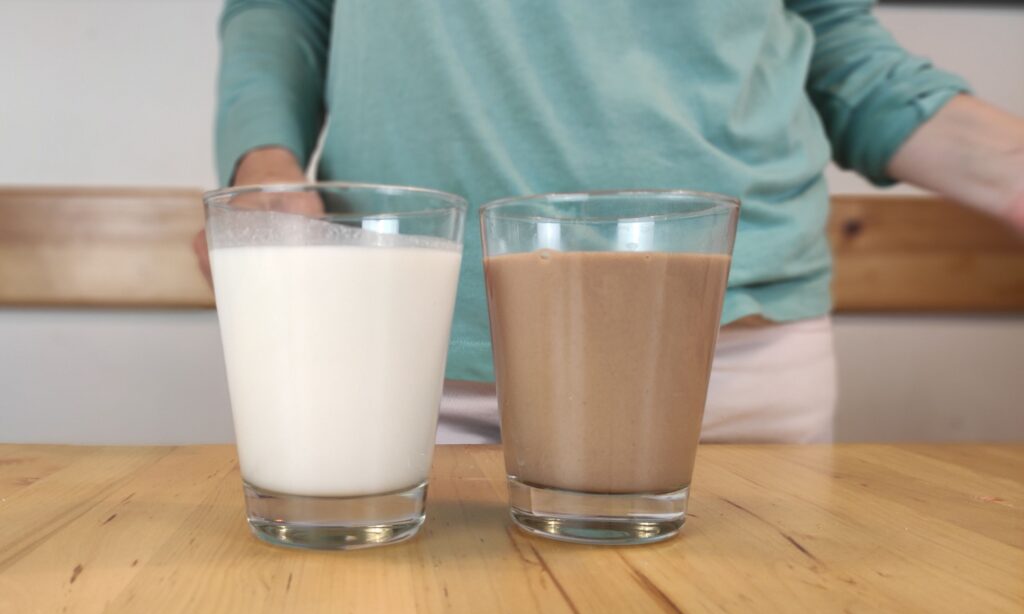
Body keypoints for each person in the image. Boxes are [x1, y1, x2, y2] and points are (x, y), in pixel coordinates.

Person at [195, 0, 1024, 444]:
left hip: (731, 360)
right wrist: (264, 169)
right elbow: (282, 8)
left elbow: (834, 44)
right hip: (424, 355)